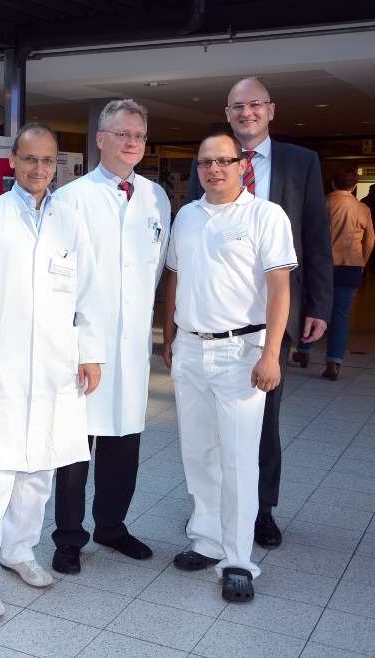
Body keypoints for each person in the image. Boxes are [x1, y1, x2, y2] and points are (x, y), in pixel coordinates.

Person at [0, 123, 106, 617]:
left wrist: (89, 351)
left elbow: (88, 293)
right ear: (12, 162)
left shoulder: (70, 220)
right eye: (29, 159)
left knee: (40, 467)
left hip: (56, 362)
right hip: (1, 361)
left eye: (47, 161)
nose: (38, 169)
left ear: (55, 163)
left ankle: (19, 550)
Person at [185, 77, 333, 548]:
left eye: (254, 105)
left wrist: (319, 305)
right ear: (227, 114)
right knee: (209, 427)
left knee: (264, 416)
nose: (246, 113)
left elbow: (315, 236)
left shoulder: (301, 162)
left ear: (271, 110)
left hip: (275, 312)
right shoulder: (209, 164)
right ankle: (215, 515)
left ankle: (260, 509)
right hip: (216, 317)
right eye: (237, 107)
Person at [163, 133, 296, 603]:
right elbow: (174, 277)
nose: (213, 169)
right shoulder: (187, 216)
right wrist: (171, 336)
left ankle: (237, 559)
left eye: (223, 161)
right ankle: (207, 539)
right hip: (192, 350)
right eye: (205, 163)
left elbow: (280, 288)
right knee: (198, 452)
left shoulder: (265, 215)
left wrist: (272, 353)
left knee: (239, 458)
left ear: (242, 164)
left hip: (243, 353)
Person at [49, 99, 171, 574]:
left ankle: (112, 527)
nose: (131, 143)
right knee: (77, 449)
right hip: (83, 344)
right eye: (122, 134)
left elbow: (155, 269)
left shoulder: (156, 197)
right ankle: (69, 537)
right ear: (100, 139)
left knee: (125, 443)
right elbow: (60, 277)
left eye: (139, 135)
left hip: (133, 345)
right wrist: (79, 341)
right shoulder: (72, 197)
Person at [294, 168, 374, 380]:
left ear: (332, 182)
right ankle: (334, 363)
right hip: (350, 266)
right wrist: (361, 262)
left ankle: (304, 352)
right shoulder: (363, 208)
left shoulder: (323, 202)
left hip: (320, 266)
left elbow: (307, 234)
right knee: (340, 314)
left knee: (312, 307)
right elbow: (370, 240)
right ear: (355, 186)